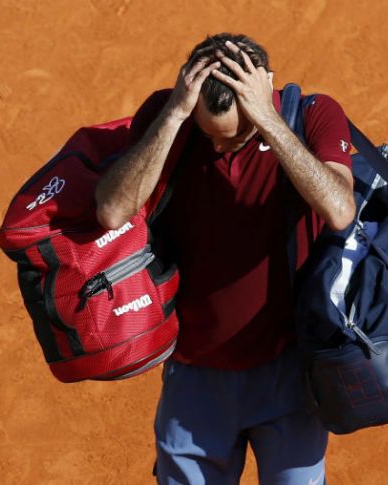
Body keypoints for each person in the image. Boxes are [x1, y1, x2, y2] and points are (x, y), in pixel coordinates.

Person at [95, 33, 355, 485]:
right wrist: (175, 114)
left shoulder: (313, 115)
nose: (219, 149)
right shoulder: (169, 116)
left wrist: (271, 125)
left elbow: (338, 209)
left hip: (288, 373)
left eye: (235, 137)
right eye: (209, 136)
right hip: (195, 379)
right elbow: (113, 210)